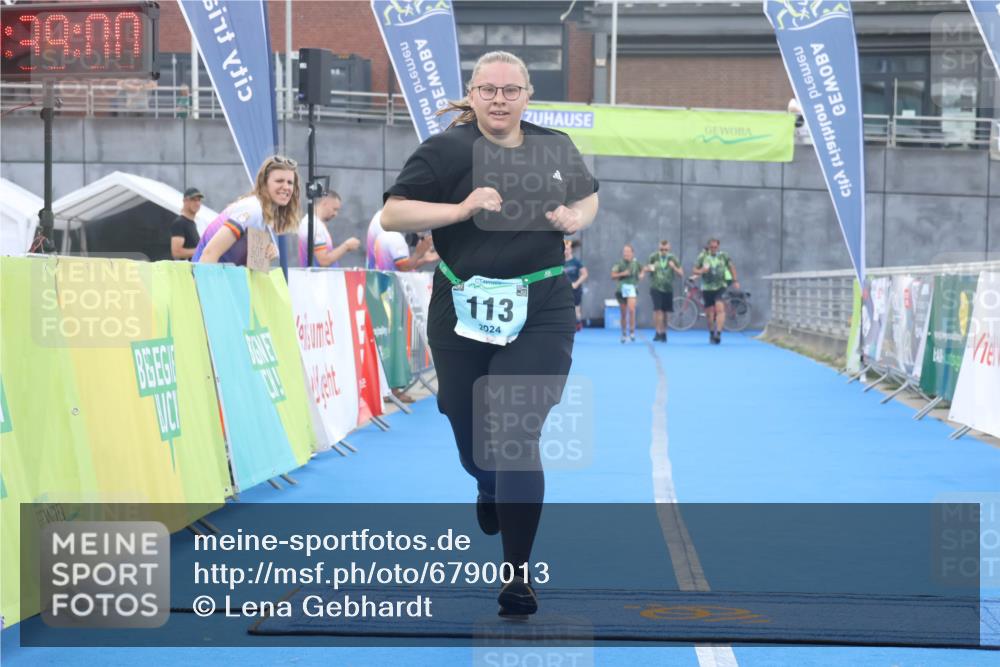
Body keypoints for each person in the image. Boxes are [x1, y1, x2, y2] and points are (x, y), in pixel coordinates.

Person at [380, 50, 599, 616]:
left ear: (528, 95)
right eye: (488, 90)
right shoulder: (445, 150)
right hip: (462, 304)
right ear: (472, 95)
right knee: (467, 423)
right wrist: (460, 209)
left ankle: (518, 576)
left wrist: (578, 217)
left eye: (510, 90)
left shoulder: (554, 146)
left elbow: (588, 194)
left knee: (516, 427)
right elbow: (393, 216)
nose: (499, 99)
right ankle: (485, 482)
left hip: (543, 302)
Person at [193, 155, 301, 266]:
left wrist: (266, 255)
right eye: (279, 181)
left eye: (290, 182)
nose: (286, 187)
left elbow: (253, 268)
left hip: (222, 277)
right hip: (204, 277)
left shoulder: (262, 213)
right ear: (264, 183)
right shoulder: (253, 209)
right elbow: (209, 253)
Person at [692, 237, 740, 344]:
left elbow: (732, 267)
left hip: (720, 286)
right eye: (711, 247)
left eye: (715, 247)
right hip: (707, 288)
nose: (713, 248)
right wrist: (701, 270)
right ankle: (711, 333)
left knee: (720, 309)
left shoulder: (724, 256)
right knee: (709, 315)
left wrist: (735, 280)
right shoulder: (702, 256)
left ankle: (718, 333)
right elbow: (694, 269)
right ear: (708, 247)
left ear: (718, 247)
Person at [297, 190, 361, 267]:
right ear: (325, 203)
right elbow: (324, 261)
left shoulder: (314, 223)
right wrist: (346, 246)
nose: (335, 214)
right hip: (317, 278)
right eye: (334, 209)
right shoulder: (314, 225)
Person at [366, 209, 438, 271]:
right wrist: (418, 253)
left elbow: (399, 265)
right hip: (387, 283)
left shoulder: (382, 215)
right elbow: (404, 268)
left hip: (374, 277)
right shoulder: (394, 236)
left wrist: (424, 259)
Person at [641, 240, 683, 342]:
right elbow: (644, 268)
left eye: (666, 250)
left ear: (669, 249)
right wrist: (647, 270)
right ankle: (657, 332)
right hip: (656, 287)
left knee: (665, 312)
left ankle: (664, 332)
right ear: (658, 249)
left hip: (668, 288)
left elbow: (681, 273)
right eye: (661, 249)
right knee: (657, 310)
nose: (663, 251)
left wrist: (674, 267)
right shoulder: (653, 257)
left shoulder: (673, 258)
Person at [611, 244, 642, 343]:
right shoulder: (619, 263)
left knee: (632, 310)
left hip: (632, 288)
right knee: (623, 313)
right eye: (625, 251)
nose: (626, 253)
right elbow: (613, 275)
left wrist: (641, 275)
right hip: (621, 289)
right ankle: (624, 333)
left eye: (628, 251)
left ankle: (632, 331)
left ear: (632, 253)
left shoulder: (636, 263)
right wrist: (623, 274)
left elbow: (643, 270)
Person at [170, 187, 203, 260]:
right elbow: (176, 253)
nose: (197, 203)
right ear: (185, 201)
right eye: (193, 200)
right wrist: (200, 251)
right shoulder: (179, 223)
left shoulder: (193, 223)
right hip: (184, 270)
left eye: (199, 200)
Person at [563, 239, 588, 331]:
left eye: (568, 249)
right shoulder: (560, 262)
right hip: (563, 290)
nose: (566, 250)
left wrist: (576, 283)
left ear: (571, 250)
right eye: (564, 249)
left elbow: (585, 274)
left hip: (575, 289)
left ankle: (578, 323)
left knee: (576, 309)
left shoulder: (576, 262)